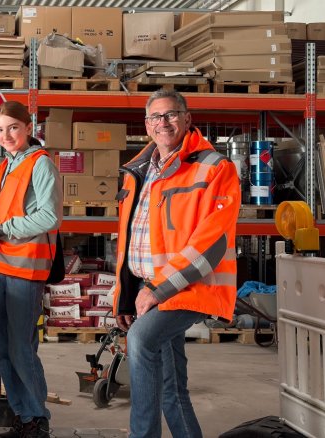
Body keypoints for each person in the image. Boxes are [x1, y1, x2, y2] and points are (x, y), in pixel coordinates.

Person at [113, 89, 240, 438]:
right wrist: (127, 296)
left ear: (187, 119)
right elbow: (129, 239)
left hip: (191, 287)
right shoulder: (138, 172)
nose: (163, 122)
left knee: (140, 340)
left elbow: (211, 242)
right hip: (147, 287)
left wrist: (157, 289)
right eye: (156, 117)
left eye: (171, 115)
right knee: (171, 386)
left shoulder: (215, 168)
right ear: (147, 126)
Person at [0, 101, 61, 438]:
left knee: (21, 348)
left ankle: (37, 418)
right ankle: (22, 416)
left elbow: (49, 216)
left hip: (25, 270)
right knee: (1, 348)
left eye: (13, 127)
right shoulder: (5, 166)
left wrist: (3, 229)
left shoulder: (40, 164)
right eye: (0, 129)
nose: (6, 135)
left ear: (28, 128)